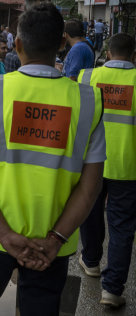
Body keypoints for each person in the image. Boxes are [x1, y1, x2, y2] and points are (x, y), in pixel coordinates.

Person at [0, 2, 106, 315]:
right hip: (51, 243)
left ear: (17, 44)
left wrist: (7, 236)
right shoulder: (87, 100)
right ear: (62, 43)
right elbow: (91, 188)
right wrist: (54, 240)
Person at [77, 33, 136, 308]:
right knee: (122, 227)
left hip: (92, 162)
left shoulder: (86, 77)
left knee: (90, 212)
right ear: (133, 56)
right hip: (128, 166)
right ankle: (112, 290)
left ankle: (90, 262)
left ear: (108, 53)